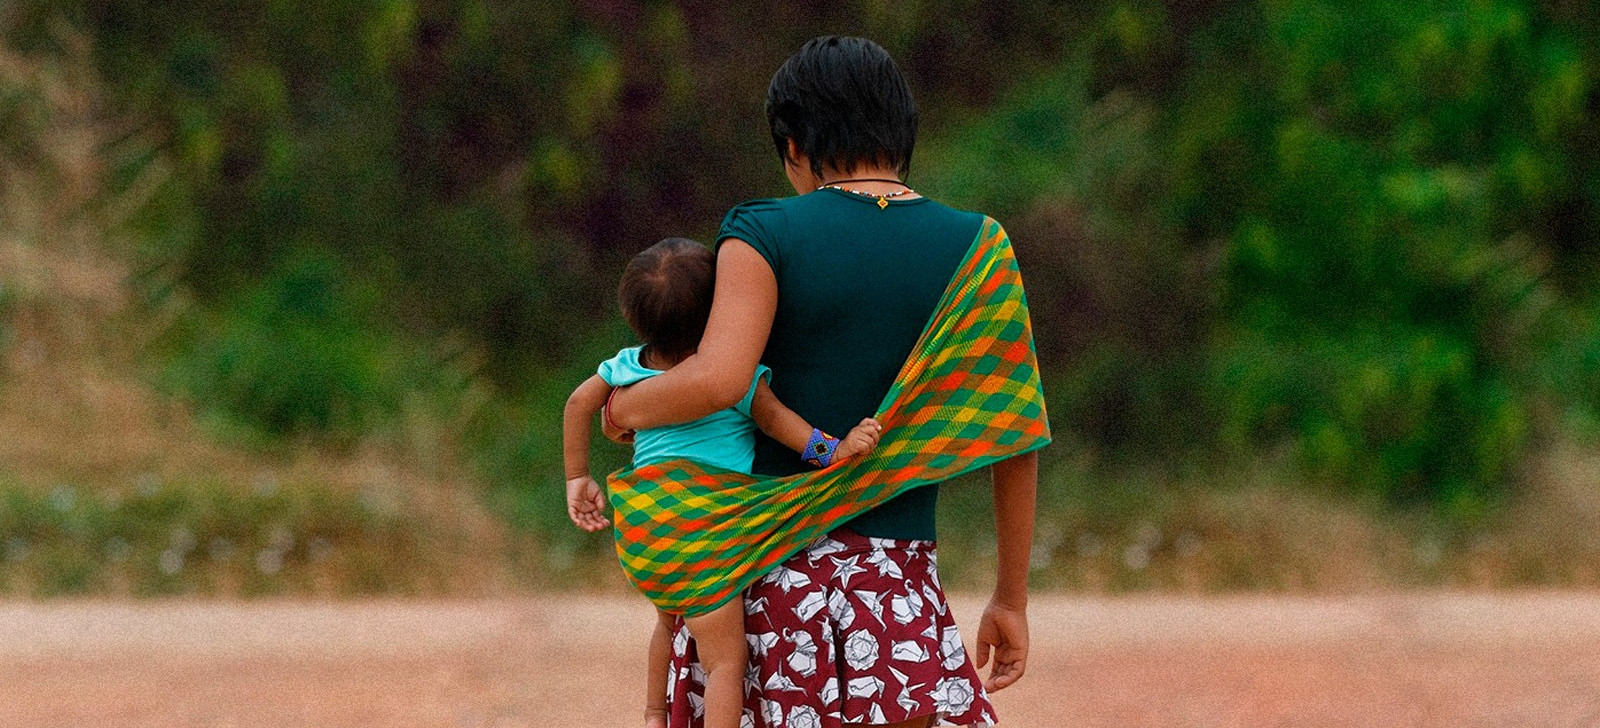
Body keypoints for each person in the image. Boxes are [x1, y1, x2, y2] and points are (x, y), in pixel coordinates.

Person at [606, 36, 1039, 728]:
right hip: (900, 593)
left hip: (768, 581)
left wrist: (625, 404)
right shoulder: (981, 248)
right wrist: (1009, 598)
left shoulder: (763, 230)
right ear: (904, 134)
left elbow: (720, 379)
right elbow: (1013, 433)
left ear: (794, 145)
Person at [564, 236, 885, 728]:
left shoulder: (626, 368)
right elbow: (784, 426)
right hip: (703, 532)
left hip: (644, 533)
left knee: (669, 619)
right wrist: (836, 450)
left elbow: (577, 405)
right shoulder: (733, 379)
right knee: (724, 663)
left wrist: (578, 477)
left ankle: (654, 714)